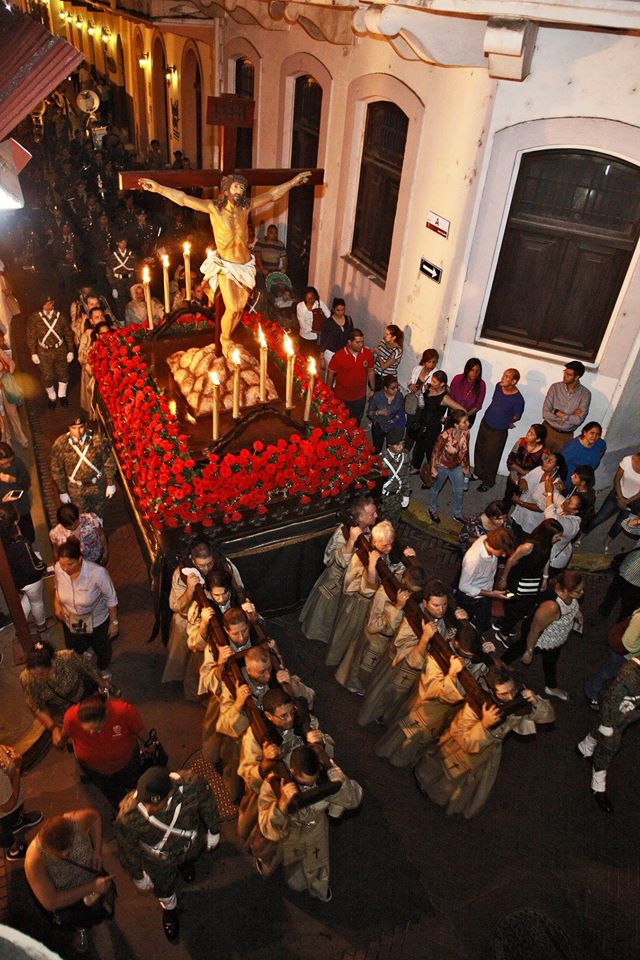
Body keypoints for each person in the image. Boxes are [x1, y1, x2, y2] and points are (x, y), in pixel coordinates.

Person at [139, 170, 311, 349]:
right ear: (227, 190)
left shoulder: (246, 207)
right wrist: (158, 188)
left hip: (245, 266)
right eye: (236, 186)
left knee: (238, 312)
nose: (240, 191)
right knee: (233, 308)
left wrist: (293, 182)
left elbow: (271, 195)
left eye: (243, 188)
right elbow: (183, 199)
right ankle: (225, 339)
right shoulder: (214, 208)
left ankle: (227, 338)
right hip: (226, 266)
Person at [415, 665, 554, 818]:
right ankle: (427, 785)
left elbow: (548, 716)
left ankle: (451, 801)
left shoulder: (519, 697)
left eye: (512, 690)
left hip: (490, 750)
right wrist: (484, 726)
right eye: (504, 693)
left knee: (469, 781)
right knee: (444, 772)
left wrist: (536, 702)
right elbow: (464, 740)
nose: (510, 697)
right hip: (459, 748)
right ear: (492, 691)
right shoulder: (476, 703)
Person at [117, 766, 220, 941]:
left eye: (156, 803)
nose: (149, 809)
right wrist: (138, 875)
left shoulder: (191, 786)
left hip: (189, 847)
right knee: (164, 888)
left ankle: (185, 866)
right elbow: (127, 848)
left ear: (170, 792)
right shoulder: (129, 815)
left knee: (190, 859)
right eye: (146, 802)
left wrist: (214, 830)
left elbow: (207, 803)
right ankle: (170, 910)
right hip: (159, 861)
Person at [257, 745, 362, 902]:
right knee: (274, 851)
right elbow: (266, 826)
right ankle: (266, 866)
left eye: (311, 783)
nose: (309, 788)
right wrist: (281, 805)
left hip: (314, 827)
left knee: (317, 862)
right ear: (292, 771)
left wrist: (342, 783)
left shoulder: (323, 776)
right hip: (288, 828)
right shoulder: (276, 779)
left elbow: (354, 800)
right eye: (304, 783)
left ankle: (319, 889)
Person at [357, 579, 468, 727]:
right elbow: (403, 649)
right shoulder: (414, 616)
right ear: (425, 602)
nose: (441, 610)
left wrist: (461, 624)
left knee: (399, 701)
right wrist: (425, 639)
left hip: (418, 675)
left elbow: (444, 636)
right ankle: (367, 718)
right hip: (399, 665)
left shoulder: (440, 619)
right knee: (382, 695)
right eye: (436, 605)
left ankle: (385, 719)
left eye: (444, 605)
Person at [375, 621, 483, 767]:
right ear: (455, 643)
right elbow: (436, 691)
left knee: (425, 738)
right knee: (405, 734)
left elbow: (476, 674)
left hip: (442, 713)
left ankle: (407, 759)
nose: (467, 658)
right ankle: (390, 753)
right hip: (424, 704)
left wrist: (486, 656)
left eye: (470, 656)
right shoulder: (438, 656)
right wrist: (451, 674)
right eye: (465, 654)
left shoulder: (466, 651)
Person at [161, 539, 246, 700]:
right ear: (193, 561)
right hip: (191, 619)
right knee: (195, 657)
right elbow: (176, 605)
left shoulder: (225, 566)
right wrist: (190, 590)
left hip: (226, 615)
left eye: (209, 564)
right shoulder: (182, 574)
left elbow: (238, 589)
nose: (206, 569)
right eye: (201, 565)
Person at [327, 519, 411, 681]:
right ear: (374, 542)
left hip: (371, 607)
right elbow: (364, 587)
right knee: (348, 635)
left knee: (356, 645)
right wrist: (371, 568)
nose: (389, 548)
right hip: (357, 605)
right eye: (385, 545)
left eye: (391, 544)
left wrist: (406, 560)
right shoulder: (361, 557)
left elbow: (388, 574)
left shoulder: (381, 555)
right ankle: (335, 660)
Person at [25, 809, 114, 954]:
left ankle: (95, 918)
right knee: (79, 918)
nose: (68, 855)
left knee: (99, 912)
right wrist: (91, 887)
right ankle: (81, 928)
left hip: (91, 879)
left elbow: (95, 817)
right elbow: (51, 901)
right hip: (69, 896)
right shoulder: (34, 859)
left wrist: (97, 851)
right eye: (62, 854)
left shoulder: (77, 821)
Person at [300, 495, 377, 643]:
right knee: (324, 614)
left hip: (352, 587)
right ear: (360, 517)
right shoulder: (343, 533)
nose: (376, 515)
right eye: (371, 514)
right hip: (334, 583)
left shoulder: (371, 529)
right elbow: (333, 559)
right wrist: (351, 542)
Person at [60, 695, 150, 808]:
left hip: (127, 764)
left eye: (97, 728)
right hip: (96, 771)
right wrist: (61, 740)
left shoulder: (124, 712)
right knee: (112, 794)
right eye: (88, 729)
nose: (92, 733)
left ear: (106, 715)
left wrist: (149, 743)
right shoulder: (71, 717)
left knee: (133, 783)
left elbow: (140, 731)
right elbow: (65, 734)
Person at [577, 655, 640, 812]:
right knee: (609, 748)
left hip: (626, 714)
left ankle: (585, 747)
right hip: (614, 717)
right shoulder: (629, 675)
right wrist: (607, 725)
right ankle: (598, 785)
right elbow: (610, 700)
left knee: (600, 729)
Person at [490, 518, 563, 654]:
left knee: (523, 605)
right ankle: (503, 632)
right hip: (518, 581)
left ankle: (503, 622)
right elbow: (511, 560)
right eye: (557, 536)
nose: (559, 539)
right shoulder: (528, 546)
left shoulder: (547, 544)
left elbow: (546, 559)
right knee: (517, 604)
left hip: (531, 580)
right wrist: (504, 578)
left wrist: (545, 578)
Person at [20, 640, 108, 746]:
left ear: (52, 662)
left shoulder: (68, 658)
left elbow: (88, 669)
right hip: (61, 713)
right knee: (77, 741)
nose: (38, 680)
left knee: (96, 727)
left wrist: (100, 681)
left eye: (42, 674)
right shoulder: (27, 679)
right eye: (34, 675)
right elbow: (36, 706)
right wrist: (53, 728)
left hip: (83, 699)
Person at [53, 539, 119, 673]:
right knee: (77, 643)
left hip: (96, 620)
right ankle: (85, 652)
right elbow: (57, 586)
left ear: (80, 559)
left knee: (101, 647)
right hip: (74, 618)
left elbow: (111, 598)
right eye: (62, 565)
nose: (65, 569)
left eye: (70, 564)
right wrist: (57, 605)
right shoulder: (59, 569)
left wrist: (114, 622)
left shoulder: (97, 573)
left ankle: (103, 668)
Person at [521, 571, 584, 700]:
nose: (582, 592)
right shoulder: (551, 606)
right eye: (578, 591)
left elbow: (570, 604)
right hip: (542, 640)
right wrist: (529, 650)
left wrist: (575, 612)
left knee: (551, 661)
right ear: (566, 591)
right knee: (519, 650)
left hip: (555, 640)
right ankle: (497, 666)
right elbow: (534, 630)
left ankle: (551, 686)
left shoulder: (568, 596)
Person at [50, 415, 117, 518]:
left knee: (99, 513)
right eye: (74, 428)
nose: (78, 432)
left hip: (97, 485)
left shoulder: (98, 440)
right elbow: (56, 469)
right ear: (68, 427)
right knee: (81, 516)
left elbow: (108, 460)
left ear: (85, 425)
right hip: (76, 489)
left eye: (81, 427)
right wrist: (62, 491)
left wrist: (111, 483)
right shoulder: (61, 444)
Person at [0, 502, 50, 631]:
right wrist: (43, 566)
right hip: (30, 580)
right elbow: (32, 567)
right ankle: (41, 624)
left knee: (28, 599)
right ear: (15, 521)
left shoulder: (3, 539)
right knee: (36, 602)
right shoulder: (20, 542)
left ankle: (21, 625)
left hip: (15, 578)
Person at [455, 527, 517, 632]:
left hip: (486, 592)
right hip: (470, 598)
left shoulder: (486, 538)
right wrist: (491, 594)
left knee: (483, 623)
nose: (503, 555)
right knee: (463, 624)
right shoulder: (473, 559)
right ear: (495, 546)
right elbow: (463, 586)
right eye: (502, 552)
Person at [473, 369, 525, 492]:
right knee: (479, 449)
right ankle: (477, 473)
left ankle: (488, 481)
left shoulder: (518, 399)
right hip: (486, 423)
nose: (502, 378)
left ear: (514, 381)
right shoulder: (498, 386)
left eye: (506, 376)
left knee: (492, 456)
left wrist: (504, 421)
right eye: (503, 375)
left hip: (498, 431)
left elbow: (517, 417)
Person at [584, 607, 640, 710]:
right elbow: (628, 642)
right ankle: (591, 691)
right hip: (623, 655)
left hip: (630, 656)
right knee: (608, 672)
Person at [409, 371, 465, 473]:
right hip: (422, 423)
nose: (432, 382)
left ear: (442, 384)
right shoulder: (429, 388)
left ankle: (432, 473)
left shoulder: (445, 397)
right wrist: (420, 395)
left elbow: (462, 410)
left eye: (434, 381)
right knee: (419, 447)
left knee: (431, 451)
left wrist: (448, 419)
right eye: (432, 380)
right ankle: (416, 467)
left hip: (433, 428)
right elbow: (423, 405)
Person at [584, 449, 640, 551]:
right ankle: (582, 535)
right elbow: (617, 479)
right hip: (617, 494)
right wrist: (620, 497)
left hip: (634, 501)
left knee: (619, 525)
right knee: (599, 517)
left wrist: (627, 502)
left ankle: (607, 540)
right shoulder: (627, 460)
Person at [26, 295, 75, 409]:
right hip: (44, 351)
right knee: (47, 376)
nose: (49, 305)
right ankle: (52, 396)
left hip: (60, 349)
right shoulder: (34, 318)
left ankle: (62, 395)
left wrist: (70, 350)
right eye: (46, 303)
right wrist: (33, 352)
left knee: (63, 373)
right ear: (41, 305)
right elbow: (31, 336)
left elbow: (68, 334)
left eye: (51, 303)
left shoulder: (60, 316)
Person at [427, 410, 471, 525]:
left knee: (459, 491)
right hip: (442, 466)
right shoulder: (445, 435)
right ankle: (432, 508)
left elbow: (466, 452)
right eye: (465, 422)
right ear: (456, 424)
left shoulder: (466, 434)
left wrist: (466, 467)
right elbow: (435, 452)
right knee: (436, 488)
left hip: (456, 466)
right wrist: (433, 468)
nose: (468, 424)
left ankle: (457, 514)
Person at [0, 744, 42, 862]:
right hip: (7, 814)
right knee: (9, 828)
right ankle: (15, 848)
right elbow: (9, 805)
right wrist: (17, 769)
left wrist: (6, 750)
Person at [509, 451, 566, 539]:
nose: (545, 462)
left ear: (556, 468)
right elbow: (524, 477)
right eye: (546, 459)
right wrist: (523, 482)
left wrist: (520, 502)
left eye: (549, 461)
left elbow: (541, 508)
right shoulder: (539, 469)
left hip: (531, 522)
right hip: (520, 514)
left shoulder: (554, 485)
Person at [542, 360, 592, 453]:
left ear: (577, 377)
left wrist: (557, 413)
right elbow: (545, 413)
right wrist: (569, 417)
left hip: (565, 437)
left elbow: (578, 420)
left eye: (569, 375)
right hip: (547, 430)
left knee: (556, 464)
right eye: (565, 373)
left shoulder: (585, 394)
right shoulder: (555, 387)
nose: (565, 376)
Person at [327, 328, 375, 423]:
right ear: (349, 342)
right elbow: (331, 373)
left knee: (356, 420)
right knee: (340, 421)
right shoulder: (339, 356)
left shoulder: (367, 354)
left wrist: (373, 389)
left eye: (362, 342)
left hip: (360, 397)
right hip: (342, 396)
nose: (361, 344)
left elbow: (370, 371)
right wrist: (329, 391)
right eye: (357, 342)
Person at [503, 424, 547, 508]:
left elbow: (541, 470)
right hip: (514, 476)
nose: (528, 434)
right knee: (507, 497)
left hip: (527, 482)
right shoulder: (521, 441)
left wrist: (526, 475)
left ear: (538, 439)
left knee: (521, 501)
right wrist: (523, 471)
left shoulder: (544, 452)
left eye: (532, 434)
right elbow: (510, 460)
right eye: (529, 431)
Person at [0, 442, 34, 541]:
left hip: (21, 506)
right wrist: (3, 500)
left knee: (28, 533)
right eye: (4, 463)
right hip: (6, 513)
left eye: (10, 461)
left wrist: (14, 480)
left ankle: (30, 546)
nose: (9, 465)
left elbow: (26, 482)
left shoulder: (17, 463)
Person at [0, 331, 29, 448]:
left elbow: (11, 363)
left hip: (6, 388)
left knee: (13, 414)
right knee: (2, 419)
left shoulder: (0, 352)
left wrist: (7, 377)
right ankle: (6, 441)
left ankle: (21, 438)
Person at [404, 348, 439, 443]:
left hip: (422, 405)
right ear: (424, 361)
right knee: (409, 424)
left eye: (434, 362)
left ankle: (407, 447)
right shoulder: (417, 369)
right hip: (412, 402)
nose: (431, 365)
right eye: (429, 362)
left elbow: (435, 392)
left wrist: (424, 391)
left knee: (414, 427)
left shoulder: (435, 374)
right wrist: (411, 385)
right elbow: (410, 380)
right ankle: (406, 444)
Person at [366, 375, 406, 453]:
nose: (396, 390)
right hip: (379, 425)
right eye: (393, 388)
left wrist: (394, 420)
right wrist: (378, 412)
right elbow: (369, 413)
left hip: (393, 426)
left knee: (391, 449)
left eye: (397, 387)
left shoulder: (399, 396)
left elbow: (400, 410)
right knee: (377, 448)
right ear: (385, 388)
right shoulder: (377, 397)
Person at [380, 429, 411, 524]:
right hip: (383, 499)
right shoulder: (381, 460)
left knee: (394, 522)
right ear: (389, 445)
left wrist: (406, 494)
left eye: (402, 444)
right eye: (397, 445)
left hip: (397, 497)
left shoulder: (405, 456)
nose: (400, 447)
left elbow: (405, 476)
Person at [318, 298, 353, 376]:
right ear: (333, 310)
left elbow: (351, 335)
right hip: (331, 352)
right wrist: (321, 358)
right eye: (338, 310)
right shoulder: (328, 323)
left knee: (341, 374)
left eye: (342, 310)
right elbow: (323, 340)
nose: (340, 312)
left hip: (343, 352)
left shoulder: (348, 320)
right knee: (331, 374)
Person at [449, 358, 486, 427]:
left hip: (468, 417)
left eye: (477, 371)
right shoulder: (457, 379)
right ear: (467, 370)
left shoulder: (482, 385)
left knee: (462, 437)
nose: (474, 373)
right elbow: (450, 397)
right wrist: (454, 414)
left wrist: (466, 416)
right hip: (453, 414)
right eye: (472, 370)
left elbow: (478, 405)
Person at [106, 235, 138, 308]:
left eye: (125, 242)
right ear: (117, 243)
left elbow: (137, 268)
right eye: (121, 243)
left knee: (133, 301)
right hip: (118, 282)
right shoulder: (113, 256)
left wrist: (137, 281)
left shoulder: (131, 254)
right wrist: (113, 287)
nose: (123, 244)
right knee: (121, 303)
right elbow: (109, 273)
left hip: (130, 280)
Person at [373, 324, 404, 390]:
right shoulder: (383, 342)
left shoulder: (397, 351)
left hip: (387, 379)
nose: (384, 336)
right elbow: (375, 352)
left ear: (393, 337)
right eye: (385, 333)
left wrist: (379, 354)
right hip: (377, 375)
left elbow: (383, 367)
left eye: (387, 334)